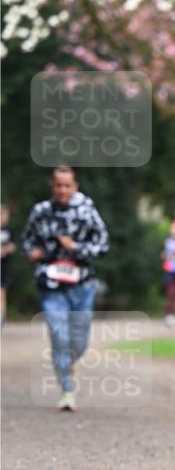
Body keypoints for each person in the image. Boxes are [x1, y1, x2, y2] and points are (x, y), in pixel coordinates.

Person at [21, 165, 109, 411]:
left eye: (67, 185)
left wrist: (76, 247)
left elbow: (103, 245)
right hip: (50, 282)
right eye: (58, 185)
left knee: (79, 341)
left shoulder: (86, 210)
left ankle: (69, 364)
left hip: (82, 282)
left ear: (75, 186)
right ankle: (67, 391)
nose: (62, 190)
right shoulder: (41, 211)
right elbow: (26, 241)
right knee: (59, 335)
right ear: (52, 186)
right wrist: (32, 253)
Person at [1, 203, 16, 326]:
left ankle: (1, 318)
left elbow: (13, 247)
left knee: (1, 293)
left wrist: (7, 249)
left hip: (4, 266)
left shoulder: (9, 230)